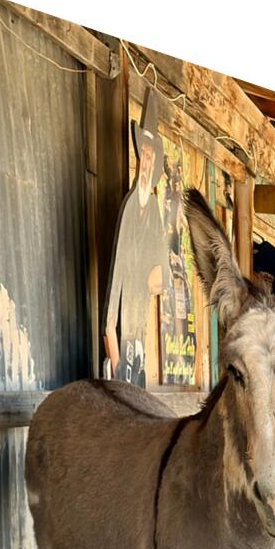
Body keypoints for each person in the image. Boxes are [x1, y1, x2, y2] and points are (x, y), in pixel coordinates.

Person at [103, 88, 170, 387]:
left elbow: (160, 276)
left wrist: (159, 272)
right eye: (145, 155)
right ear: (140, 158)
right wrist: (111, 339)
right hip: (121, 323)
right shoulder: (130, 208)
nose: (147, 163)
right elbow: (117, 277)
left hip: (138, 326)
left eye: (152, 157)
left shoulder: (153, 209)